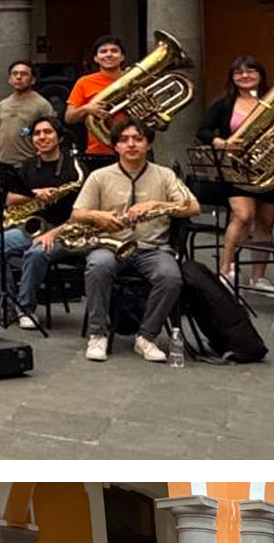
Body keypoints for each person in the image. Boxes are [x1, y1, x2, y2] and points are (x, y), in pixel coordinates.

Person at [73, 122, 197, 365]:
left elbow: (193, 206)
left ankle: (146, 337)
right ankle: (98, 334)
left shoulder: (165, 175)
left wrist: (157, 205)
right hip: (110, 245)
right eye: (125, 139)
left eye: (138, 139)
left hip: (152, 248)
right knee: (98, 267)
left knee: (170, 277)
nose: (131, 144)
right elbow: (76, 214)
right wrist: (99, 216)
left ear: (148, 144)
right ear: (116, 146)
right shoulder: (100, 176)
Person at [0, 116, 87, 330]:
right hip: (33, 226)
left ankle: (25, 308)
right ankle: (6, 305)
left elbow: (83, 212)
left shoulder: (75, 168)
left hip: (68, 231)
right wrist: (34, 195)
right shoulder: (28, 166)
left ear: (59, 137)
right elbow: (10, 199)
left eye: (47, 132)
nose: (41, 137)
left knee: (36, 252)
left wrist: (53, 234)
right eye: (37, 133)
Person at [200, 54, 274, 299]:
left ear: (260, 76)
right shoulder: (224, 104)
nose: (245, 75)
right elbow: (203, 130)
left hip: (269, 171)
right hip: (235, 170)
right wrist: (221, 142)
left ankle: (258, 277)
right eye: (239, 72)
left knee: (265, 224)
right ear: (232, 78)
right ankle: (226, 270)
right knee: (243, 215)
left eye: (250, 71)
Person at [64, 36, 129, 163]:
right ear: (96, 58)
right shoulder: (84, 82)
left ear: (122, 57)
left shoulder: (136, 80)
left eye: (114, 51)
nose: (109, 55)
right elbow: (69, 118)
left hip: (135, 149)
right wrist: (86, 108)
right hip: (99, 151)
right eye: (103, 51)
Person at [0, 59, 56, 159]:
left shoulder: (42, 105)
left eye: (24, 74)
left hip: (29, 163)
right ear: (10, 79)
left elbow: (52, 134)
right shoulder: (2, 104)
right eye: (15, 74)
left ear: (33, 80)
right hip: (2, 164)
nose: (18, 77)